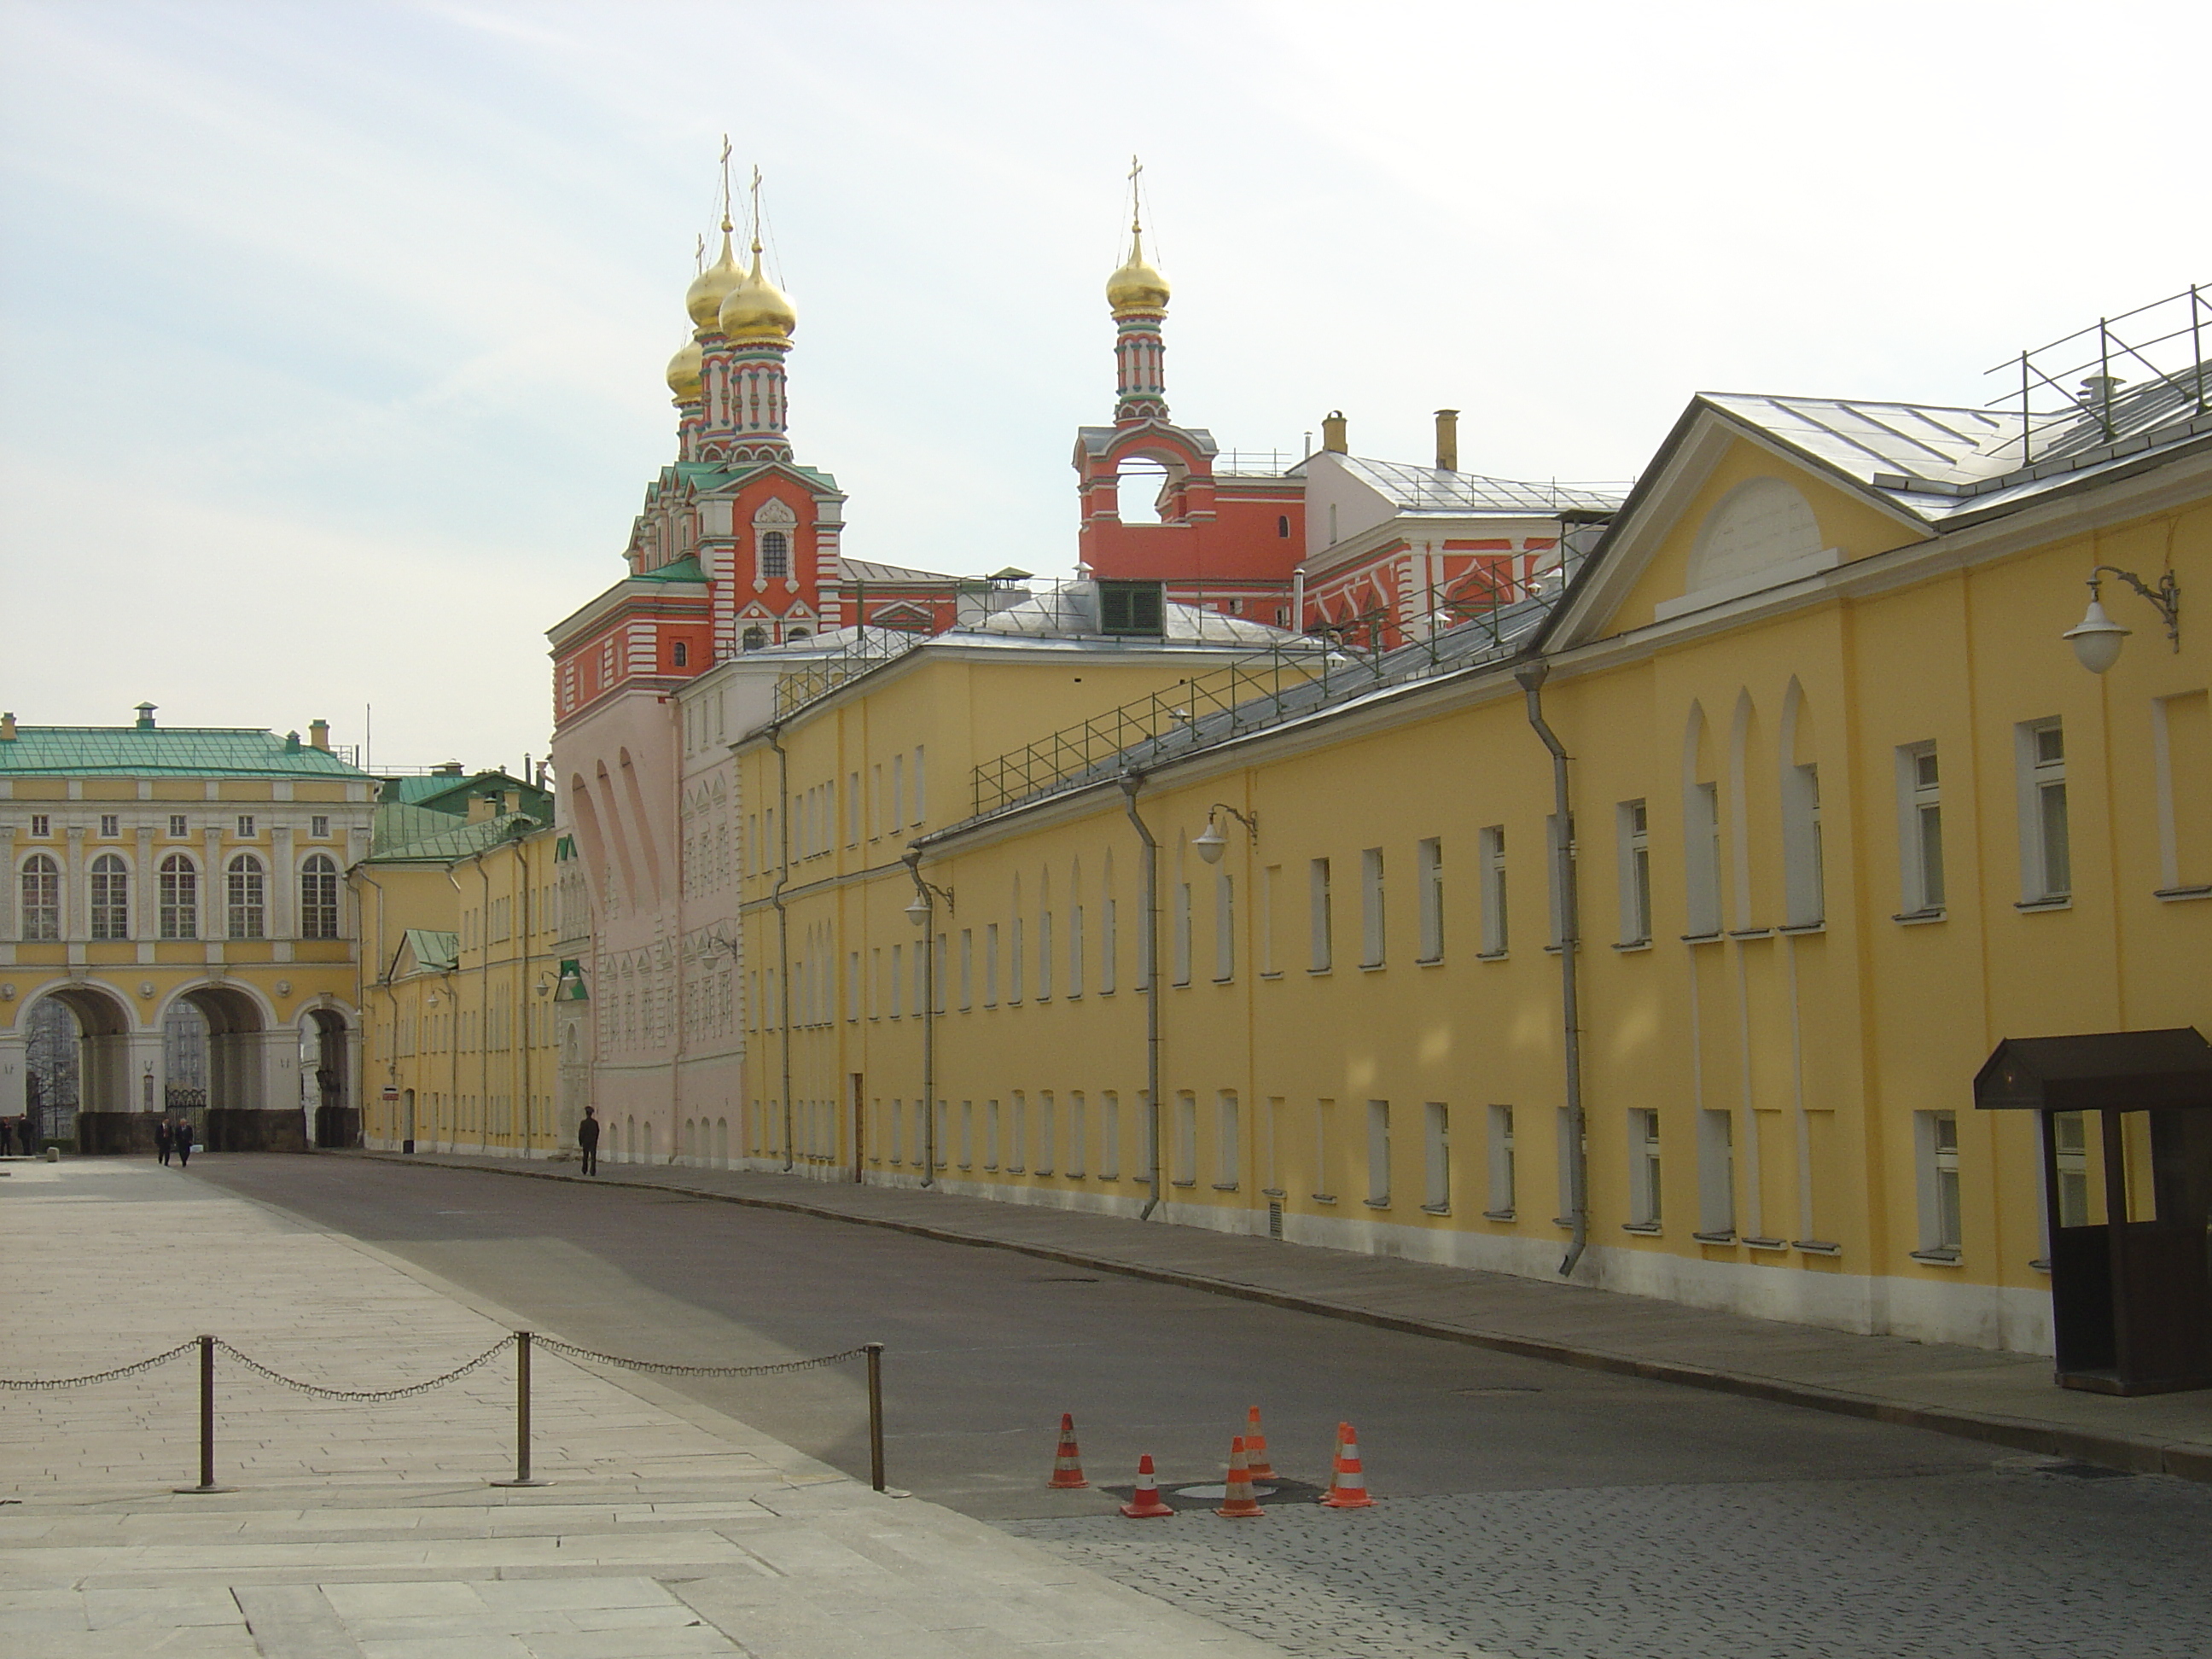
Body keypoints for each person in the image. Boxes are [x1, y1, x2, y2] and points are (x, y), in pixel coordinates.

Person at [578, 1103, 599, 1175]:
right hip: (593, 1142)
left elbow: (581, 1133)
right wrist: (595, 1140)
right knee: (593, 1157)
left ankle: (584, 1169)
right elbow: (597, 1132)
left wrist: (580, 1142)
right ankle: (593, 1170)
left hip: (586, 1142)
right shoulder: (595, 1123)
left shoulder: (583, 1123)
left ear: (586, 1114)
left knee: (585, 1156)